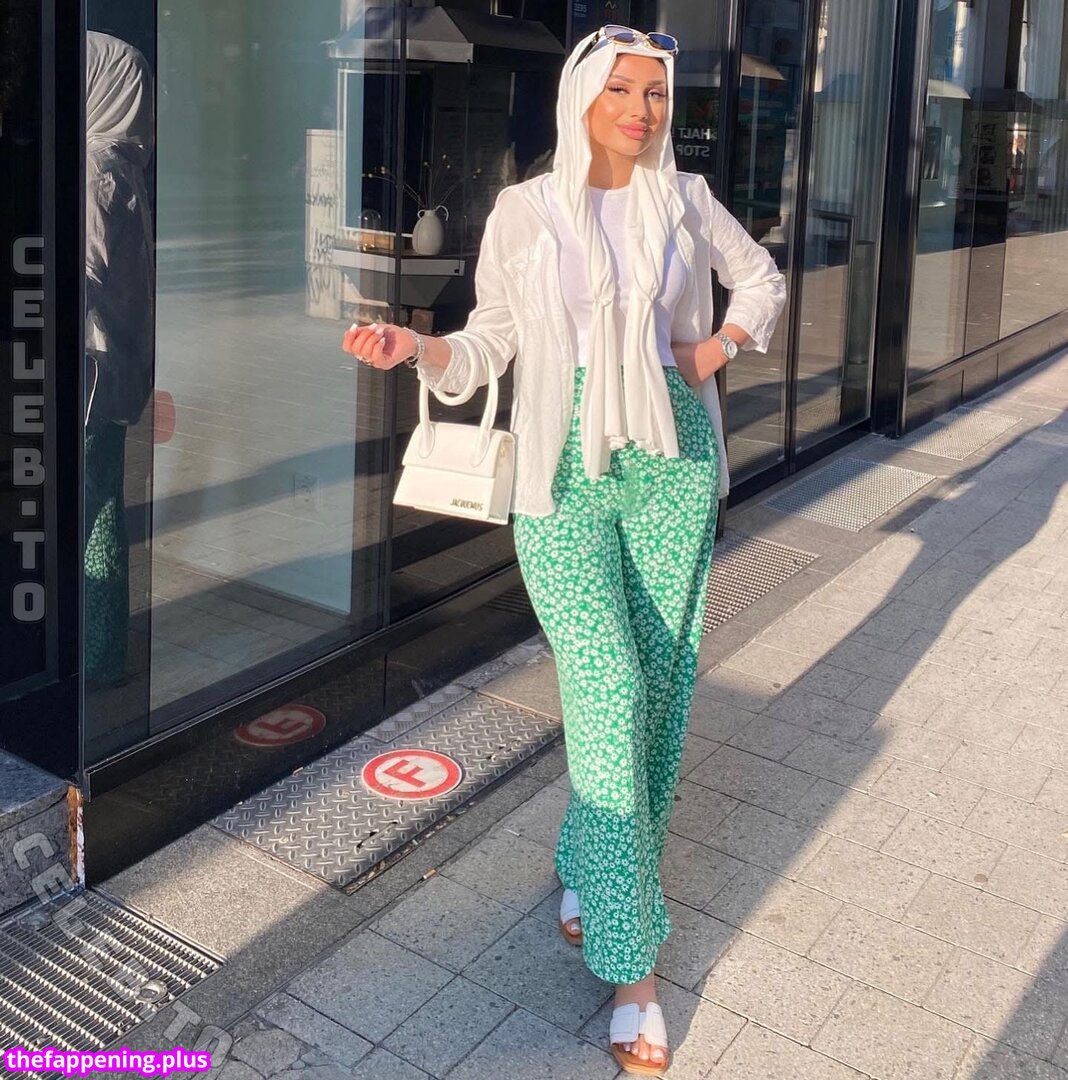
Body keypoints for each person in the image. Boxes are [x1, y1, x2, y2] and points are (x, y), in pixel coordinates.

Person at [342, 25, 785, 1076]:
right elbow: (493, 336)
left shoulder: (685, 199)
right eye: (621, 89)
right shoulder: (528, 210)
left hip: (671, 463)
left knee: (659, 690)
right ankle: (636, 967)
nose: (641, 110)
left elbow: (761, 279)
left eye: (656, 93)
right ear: (582, 96)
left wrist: (715, 348)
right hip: (562, 476)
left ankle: (590, 858)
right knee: (607, 685)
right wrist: (419, 347)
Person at [84, 31, 155, 688]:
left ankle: (90, 656)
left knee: (87, 511)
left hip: (88, 370)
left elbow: (83, 271)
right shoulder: (126, 169)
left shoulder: (96, 172)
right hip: (115, 371)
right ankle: (102, 656)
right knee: (102, 504)